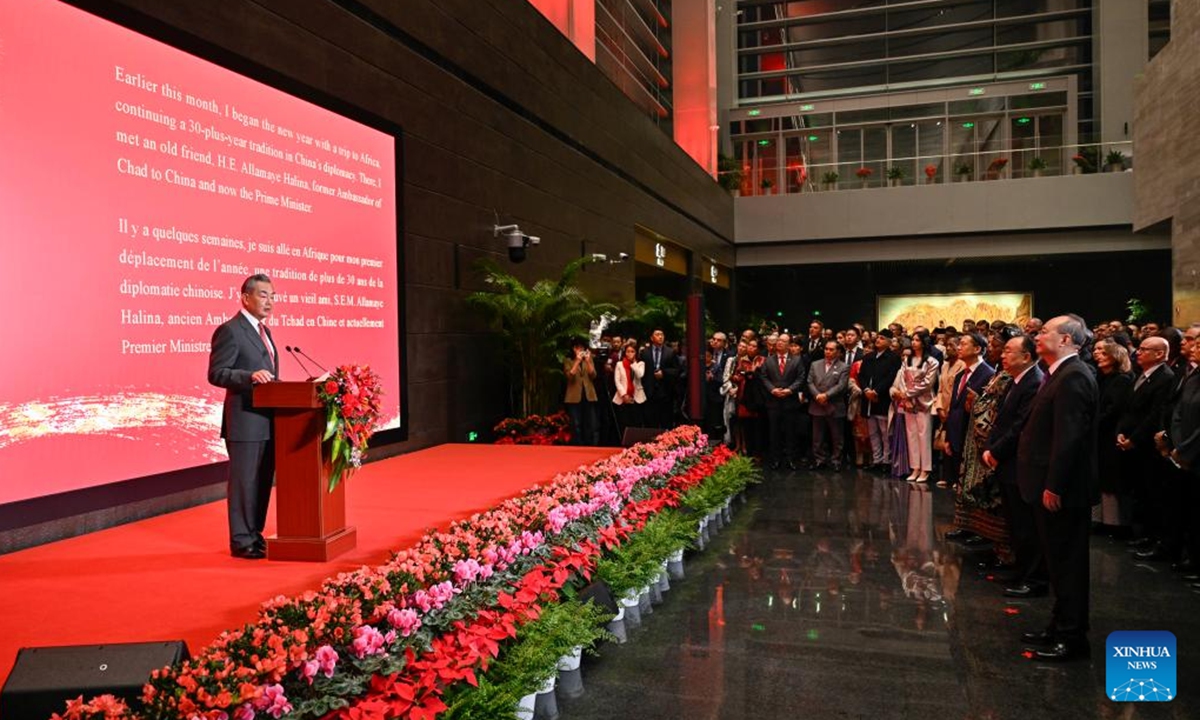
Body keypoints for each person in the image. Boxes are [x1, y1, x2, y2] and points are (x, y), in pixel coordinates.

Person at [1017, 315, 1099, 662]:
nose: (1038, 335)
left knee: (1067, 564)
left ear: (1066, 339)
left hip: (1062, 491)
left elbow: (1069, 438)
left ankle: (1072, 637)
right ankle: (1058, 624)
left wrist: (1054, 485)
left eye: (1046, 331)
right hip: (1048, 485)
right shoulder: (1059, 373)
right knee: (1057, 561)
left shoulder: (1074, 376)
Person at [208, 274, 280, 560]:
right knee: (243, 483)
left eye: (272, 296)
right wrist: (248, 376)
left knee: (262, 481)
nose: (269, 302)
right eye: (263, 295)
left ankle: (255, 534)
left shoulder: (266, 332)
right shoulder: (230, 330)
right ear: (245, 297)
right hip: (244, 421)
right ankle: (241, 540)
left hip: (268, 420)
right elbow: (216, 373)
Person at [982, 334, 1046, 598]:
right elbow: (1001, 420)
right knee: (1015, 523)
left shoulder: (1034, 382)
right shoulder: (1015, 380)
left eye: (1009, 351)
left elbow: (1020, 426)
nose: (1003, 355)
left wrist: (995, 450)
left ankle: (1034, 578)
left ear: (1026, 357)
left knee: (1027, 525)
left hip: (1019, 463)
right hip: (1006, 462)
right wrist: (990, 447)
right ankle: (1021, 570)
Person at [1092, 340, 1135, 537]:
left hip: (1112, 434)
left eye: (1103, 352)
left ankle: (1116, 524)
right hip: (1100, 435)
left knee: (1112, 480)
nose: (1097, 354)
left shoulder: (1122, 380)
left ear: (1115, 356)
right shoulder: (1102, 377)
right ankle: (1102, 520)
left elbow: (1113, 410)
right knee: (1102, 478)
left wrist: (1093, 422)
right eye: (1096, 351)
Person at [891, 331, 939, 483]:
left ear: (924, 342)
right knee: (911, 435)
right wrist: (905, 396)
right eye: (913, 339)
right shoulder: (907, 359)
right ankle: (915, 467)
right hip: (908, 401)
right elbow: (903, 378)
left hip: (923, 401)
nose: (914, 342)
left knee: (923, 436)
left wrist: (908, 394)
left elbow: (927, 383)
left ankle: (925, 469)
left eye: (917, 340)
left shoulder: (932, 361)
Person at [761, 333, 805, 470]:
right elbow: (763, 377)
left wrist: (790, 390)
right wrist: (772, 389)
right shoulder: (769, 360)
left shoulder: (797, 360)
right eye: (778, 340)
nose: (779, 343)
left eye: (783, 341)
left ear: (789, 344)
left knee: (790, 432)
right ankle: (775, 459)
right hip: (773, 401)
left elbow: (801, 377)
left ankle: (791, 459)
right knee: (774, 432)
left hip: (790, 401)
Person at [859, 329, 902, 472]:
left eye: (882, 338)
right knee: (873, 432)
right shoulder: (868, 357)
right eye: (877, 338)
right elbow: (862, 376)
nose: (878, 340)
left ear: (889, 342)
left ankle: (886, 460)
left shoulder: (893, 358)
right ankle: (876, 460)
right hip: (868, 399)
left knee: (885, 432)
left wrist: (876, 391)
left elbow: (891, 377)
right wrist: (866, 390)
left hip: (882, 399)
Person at [807, 340, 849, 470]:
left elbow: (841, 386)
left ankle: (836, 460)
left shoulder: (844, 366)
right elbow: (809, 382)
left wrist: (826, 395)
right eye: (826, 349)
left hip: (834, 405)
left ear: (838, 352)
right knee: (817, 436)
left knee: (836, 436)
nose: (828, 351)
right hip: (817, 403)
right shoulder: (815, 364)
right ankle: (819, 459)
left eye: (831, 349)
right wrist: (817, 395)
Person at [639, 329, 680, 429]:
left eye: (662, 334)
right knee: (650, 421)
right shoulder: (644, 353)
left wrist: (664, 373)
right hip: (649, 391)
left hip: (665, 391)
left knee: (666, 421)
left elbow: (676, 370)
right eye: (657, 335)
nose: (660, 337)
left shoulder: (670, 352)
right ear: (652, 338)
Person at [733, 338, 767, 457]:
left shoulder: (763, 360)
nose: (750, 348)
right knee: (746, 425)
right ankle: (748, 451)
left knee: (758, 426)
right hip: (744, 396)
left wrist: (754, 373)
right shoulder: (742, 361)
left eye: (754, 346)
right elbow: (735, 377)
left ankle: (759, 453)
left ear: (758, 349)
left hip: (758, 396)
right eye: (749, 346)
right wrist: (739, 377)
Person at [563, 339, 599, 445]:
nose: (580, 350)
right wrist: (577, 361)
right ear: (573, 349)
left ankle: (591, 443)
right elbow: (570, 376)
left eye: (582, 348)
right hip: (574, 396)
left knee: (591, 422)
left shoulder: (589, 359)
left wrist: (587, 361)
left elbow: (593, 375)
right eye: (578, 348)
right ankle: (577, 444)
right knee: (575, 423)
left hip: (588, 394)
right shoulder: (568, 360)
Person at [611, 342, 646, 434]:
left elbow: (640, 375)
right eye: (627, 351)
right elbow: (617, 381)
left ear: (636, 353)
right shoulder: (619, 364)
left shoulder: (640, 363)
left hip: (637, 397)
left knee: (636, 422)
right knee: (624, 422)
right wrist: (624, 394)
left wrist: (633, 363)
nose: (629, 354)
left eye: (632, 351)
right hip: (623, 397)